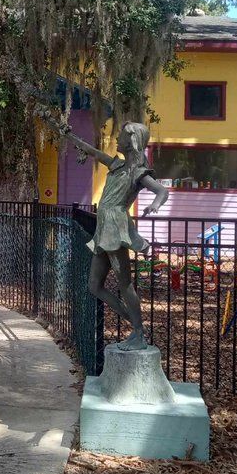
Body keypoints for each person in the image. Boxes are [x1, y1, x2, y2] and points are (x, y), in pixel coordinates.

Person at [74, 121, 169, 351]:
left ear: (132, 141)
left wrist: (155, 205)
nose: (117, 138)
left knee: (125, 283)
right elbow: (93, 152)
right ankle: (134, 321)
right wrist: (70, 137)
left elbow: (161, 190)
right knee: (94, 286)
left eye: (122, 136)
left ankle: (138, 331)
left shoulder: (137, 172)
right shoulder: (117, 165)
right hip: (103, 230)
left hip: (115, 229)